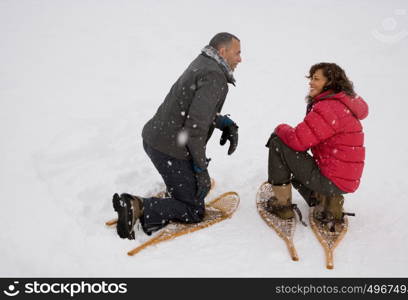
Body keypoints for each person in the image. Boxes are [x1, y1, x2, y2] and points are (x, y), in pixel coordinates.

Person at [112, 32, 242, 239]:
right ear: (223, 51)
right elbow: (194, 129)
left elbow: (192, 109)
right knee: (193, 209)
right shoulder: (215, 76)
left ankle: (179, 189)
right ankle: (137, 206)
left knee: (189, 190)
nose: (240, 59)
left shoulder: (203, 62)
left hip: (157, 139)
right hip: (169, 149)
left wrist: (222, 122)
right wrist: (200, 169)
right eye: (237, 53)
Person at [266, 62, 368, 230]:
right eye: (311, 78)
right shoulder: (344, 106)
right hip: (344, 180)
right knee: (295, 161)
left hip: (331, 180)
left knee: (278, 142)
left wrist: (280, 128)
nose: (311, 83)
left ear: (330, 83)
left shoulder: (329, 107)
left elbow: (298, 141)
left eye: (316, 79)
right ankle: (329, 202)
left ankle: (281, 206)